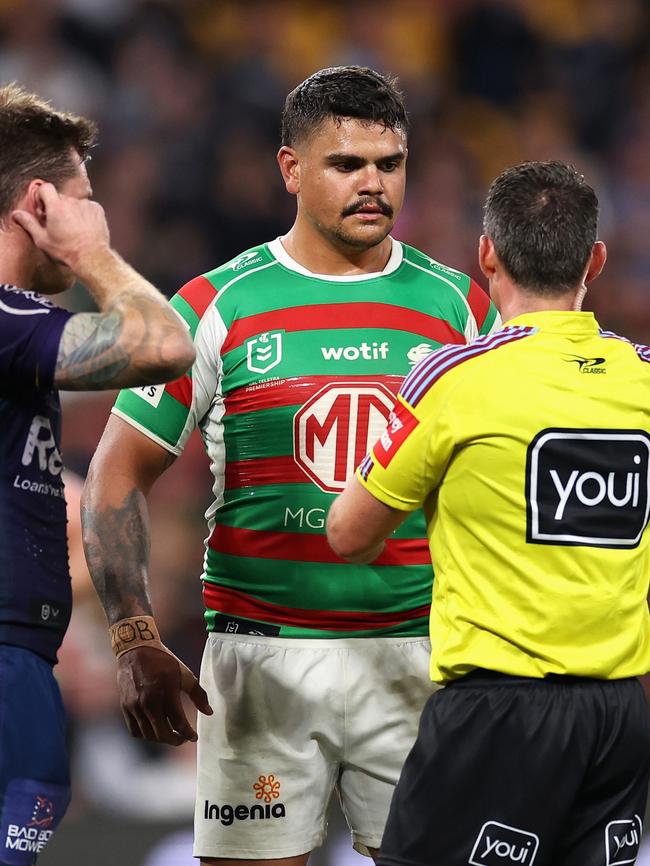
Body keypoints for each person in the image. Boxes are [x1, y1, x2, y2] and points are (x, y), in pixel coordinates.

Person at [80, 66, 500, 866]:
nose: (373, 184)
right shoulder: (218, 303)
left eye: (390, 163)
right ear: (291, 169)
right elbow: (115, 475)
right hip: (260, 662)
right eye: (346, 164)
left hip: (419, 654)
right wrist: (134, 640)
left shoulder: (461, 310)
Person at [327, 160, 650, 866]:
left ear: (486, 257)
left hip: (499, 714)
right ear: (595, 259)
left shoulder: (456, 378)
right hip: (620, 716)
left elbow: (348, 532)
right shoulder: (643, 377)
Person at [0, 84, 195, 866]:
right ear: (39, 200)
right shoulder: (5, 321)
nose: (96, 215)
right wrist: (91, 254)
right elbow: (163, 344)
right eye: (83, 199)